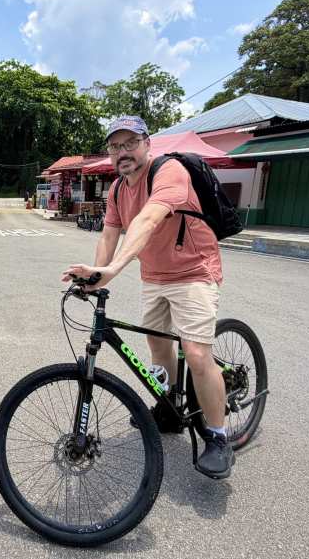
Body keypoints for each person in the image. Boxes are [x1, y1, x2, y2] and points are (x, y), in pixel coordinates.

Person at [62, 115, 234, 479]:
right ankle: (171, 408)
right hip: (154, 276)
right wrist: (96, 272)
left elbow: (148, 219)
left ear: (146, 144)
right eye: (115, 146)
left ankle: (218, 437)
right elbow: (109, 234)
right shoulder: (117, 190)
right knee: (158, 349)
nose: (122, 152)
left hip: (194, 272)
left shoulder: (168, 172)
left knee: (198, 353)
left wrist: (114, 270)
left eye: (130, 143)